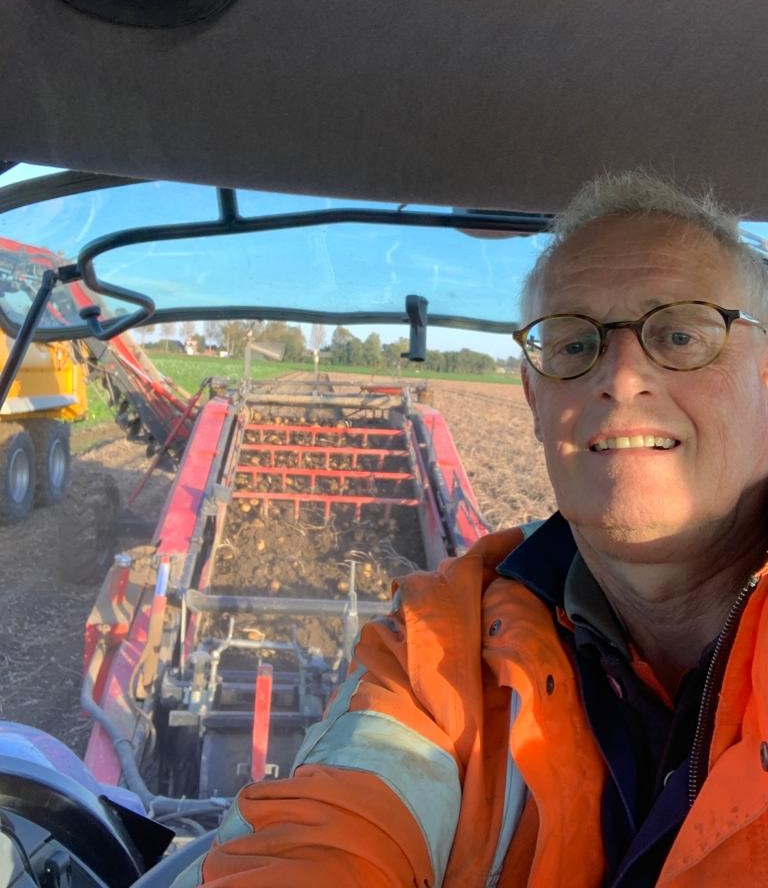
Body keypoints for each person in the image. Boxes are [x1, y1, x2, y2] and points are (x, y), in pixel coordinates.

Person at [181, 171, 768, 887]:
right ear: (534, 396)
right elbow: (331, 831)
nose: (619, 376)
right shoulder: (439, 651)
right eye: (574, 345)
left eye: (680, 334)